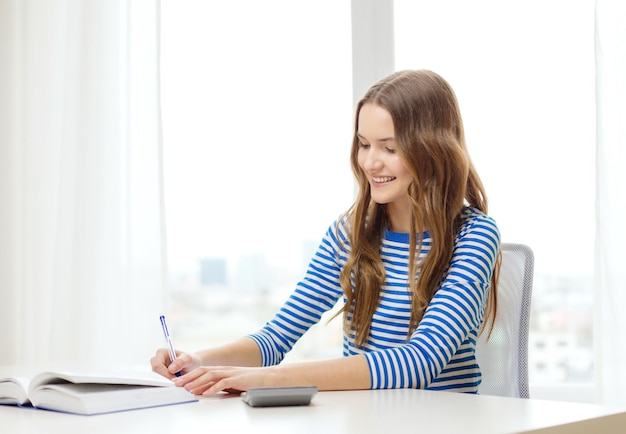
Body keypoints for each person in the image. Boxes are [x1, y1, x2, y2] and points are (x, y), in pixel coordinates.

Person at [151, 69, 501, 396]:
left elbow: (418, 362)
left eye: (390, 148)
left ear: (433, 150)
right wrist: (200, 361)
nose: (370, 162)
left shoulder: (474, 237)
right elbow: (275, 338)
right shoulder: (349, 234)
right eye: (364, 144)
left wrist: (266, 380)